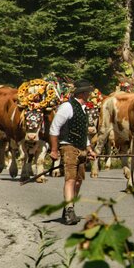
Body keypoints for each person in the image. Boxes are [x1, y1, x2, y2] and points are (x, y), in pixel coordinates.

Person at [49, 80, 98, 225]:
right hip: (68, 147)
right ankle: (70, 211)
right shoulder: (67, 107)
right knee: (70, 179)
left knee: (78, 180)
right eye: (88, 92)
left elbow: (83, 133)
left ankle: (68, 207)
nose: (90, 94)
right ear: (83, 93)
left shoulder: (83, 109)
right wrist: (54, 150)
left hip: (82, 148)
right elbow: (54, 129)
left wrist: (89, 149)